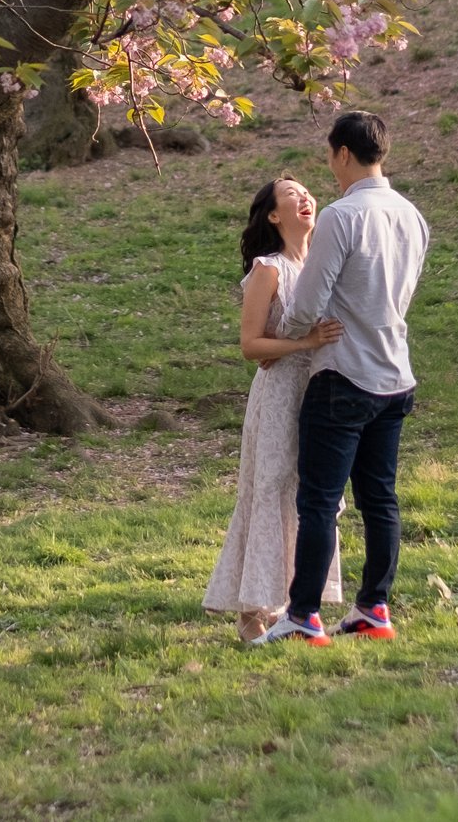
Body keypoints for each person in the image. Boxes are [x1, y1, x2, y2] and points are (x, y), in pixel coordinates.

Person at [256, 110, 429, 647]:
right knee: (380, 499)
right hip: (395, 373)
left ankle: (303, 614)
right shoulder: (412, 215)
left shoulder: (341, 215)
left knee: (318, 500)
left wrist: (288, 335)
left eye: (330, 156)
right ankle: (373, 607)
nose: (330, 167)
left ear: (344, 154)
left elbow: (308, 302)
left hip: (343, 374)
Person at [202, 177, 346, 640]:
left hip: (320, 389)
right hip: (281, 393)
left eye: (306, 192)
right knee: (272, 487)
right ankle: (252, 609)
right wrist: (303, 343)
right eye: (291, 195)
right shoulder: (269, 269)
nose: (304, 198)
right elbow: (250, 345)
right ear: (273, 215)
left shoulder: (323, 263)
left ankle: (293, 600)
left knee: (312, 492)